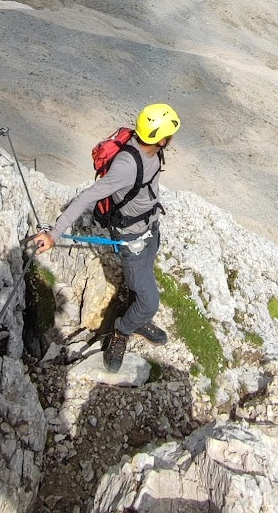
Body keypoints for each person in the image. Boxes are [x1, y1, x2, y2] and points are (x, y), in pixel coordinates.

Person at [32, 103, 180, 371]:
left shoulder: (153, 152)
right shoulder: (126, 166)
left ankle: (138, 317)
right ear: (161, 139)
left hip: (151, 229)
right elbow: (88, 196)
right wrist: (54, 233)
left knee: (143, 281)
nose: (171, 142)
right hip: (131, 239)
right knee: (149, 300)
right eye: (170, 136)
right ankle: (121, 331)